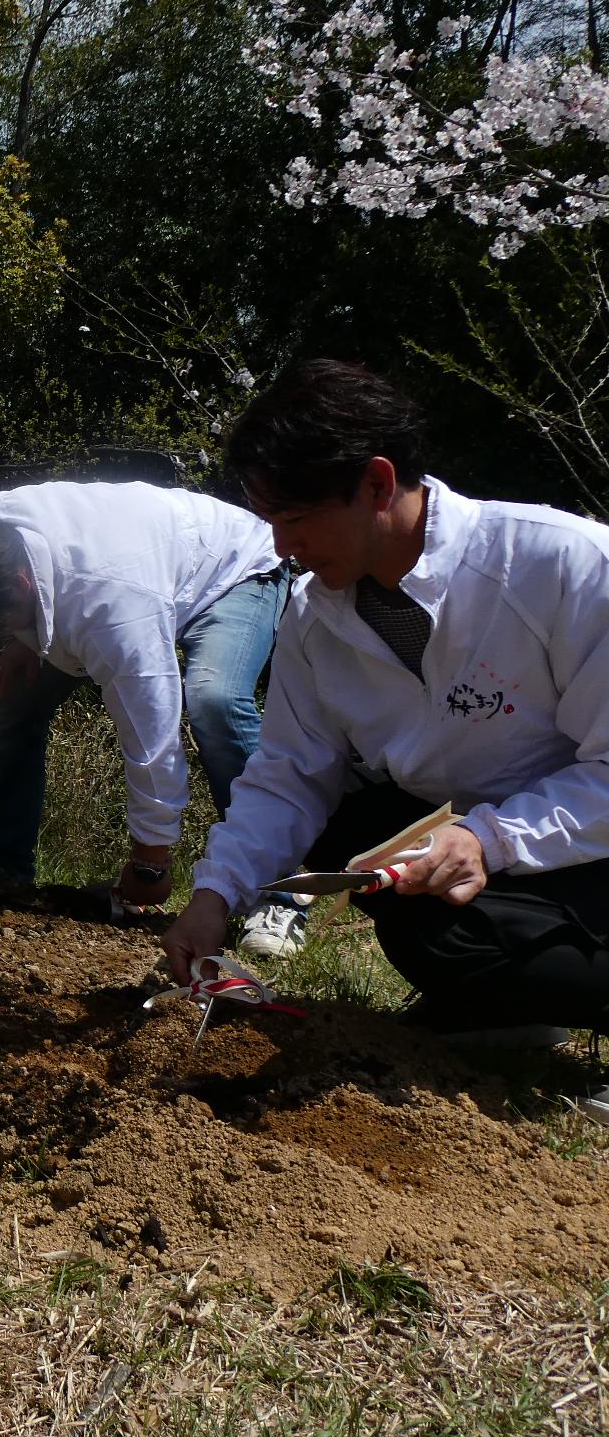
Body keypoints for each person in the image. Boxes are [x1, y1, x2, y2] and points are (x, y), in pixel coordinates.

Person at [162, 360, 609, 1107]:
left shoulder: (564, 567)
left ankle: (557, 994)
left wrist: (490, 839)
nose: (279, 549)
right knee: (361, 841)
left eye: (295, 520)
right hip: (487, 850)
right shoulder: (315, 619)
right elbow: (288, 774)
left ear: (376, 483)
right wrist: (215, 895)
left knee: (532, 952)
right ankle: (512, 1008)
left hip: (588, 848)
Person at [0, 479, 307, 955]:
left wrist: (150, 860)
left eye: (3, 624)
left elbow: (152, 732)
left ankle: (283, 891)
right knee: (14, 695)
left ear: (18, 586)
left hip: (235, 567)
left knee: (214, 699)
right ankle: (4, 861)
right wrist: (22, 640)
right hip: (141, 573)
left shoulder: (113, 608)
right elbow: (25, 592)